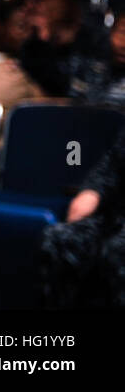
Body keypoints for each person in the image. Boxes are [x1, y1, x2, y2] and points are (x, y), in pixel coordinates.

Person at [38, 125, 125, 308]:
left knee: (117, 249)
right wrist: (92, 191)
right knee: (60, 239)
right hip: (117, 217)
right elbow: (111, 165)